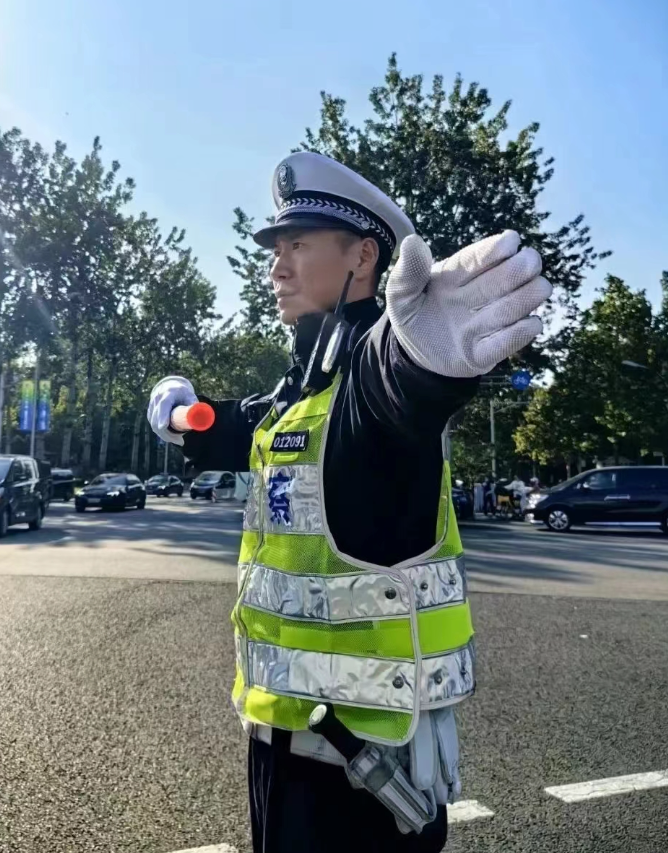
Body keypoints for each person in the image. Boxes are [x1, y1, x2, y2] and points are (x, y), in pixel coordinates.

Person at [147, 152, 551, 852]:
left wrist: (422, 358)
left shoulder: (368, 377)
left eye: (297, 245)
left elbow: (393, 381)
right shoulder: (301, 391)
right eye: (276, 248)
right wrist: (181, 415)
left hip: (360, 778)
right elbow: (241, 423)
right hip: (282, 745)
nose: (276, 266)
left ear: (362, 256)